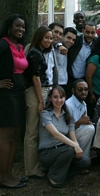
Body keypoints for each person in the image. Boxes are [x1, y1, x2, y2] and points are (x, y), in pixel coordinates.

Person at [39, 86, 90, 188]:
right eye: (55, 97)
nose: (59, 100)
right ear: (50, 98)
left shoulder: (68, 115)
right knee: (69, 150)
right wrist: (75, 145)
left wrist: (77, 146)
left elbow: (72, 133)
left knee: (85, 161)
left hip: (64, 150)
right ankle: (54, 177)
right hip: (47, 152)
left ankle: (59, 172)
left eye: (61, 97)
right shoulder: (45, 114)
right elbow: (56, 134)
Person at [0, 14, 29, 188]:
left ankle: (9, 174)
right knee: (5, 137)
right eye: (17, 26)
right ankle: (3, 178)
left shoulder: (19, 46)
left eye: (23, 27)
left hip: (19, 94)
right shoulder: (2, 44)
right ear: (9, 27)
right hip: (6, 96)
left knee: (15, 135)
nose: (20, 29)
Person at [24, 26, 53, 178]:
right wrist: (41, 100)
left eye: (50, 38)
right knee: (32, 132)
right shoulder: (34, 53)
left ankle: (37, 165)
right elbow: (35, 78)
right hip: (36, 93)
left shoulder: (39, 52)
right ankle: (31, 169)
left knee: (37, 131)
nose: (49, 40)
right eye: (46, 37)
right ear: (39, 37)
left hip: (42, 92)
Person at [65, 80, 95, 159]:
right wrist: (80, 122)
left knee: (92, 127)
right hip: (67, 136)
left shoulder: (83, 103)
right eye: (80, 90)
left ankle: (84, 159)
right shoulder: (68, 105)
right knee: (89, 129)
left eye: (86, 89)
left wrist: (86, 122)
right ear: (73, 91)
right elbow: (66, 129)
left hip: (77, 132)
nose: (83, 92)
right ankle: (81, 159)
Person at [67, 21, 97, 97]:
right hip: (70, 78)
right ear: (83, 31)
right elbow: (63, 40)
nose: (90, 35)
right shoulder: (76, 40)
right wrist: (59, 45)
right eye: (87, 32)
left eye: (92, 33)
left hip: (84, 79)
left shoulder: (96, 43)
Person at [55, 27, 77, 92]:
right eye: (69, 38)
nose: (71, 41)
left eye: (73, 40)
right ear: (62, 36)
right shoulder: (56, 48)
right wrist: (58, 45)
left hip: (65, 83)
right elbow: (53, 43)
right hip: (55, 83)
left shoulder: (68, 49)